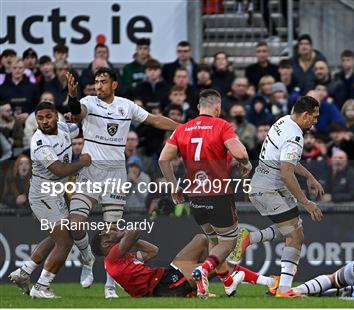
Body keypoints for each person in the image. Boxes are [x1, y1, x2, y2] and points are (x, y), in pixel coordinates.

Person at [65, 68, 179, 298]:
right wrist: (73, 96)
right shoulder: (88, 102)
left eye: (103, 82)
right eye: (96, 82)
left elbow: (154, 120)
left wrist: (182, 127)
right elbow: (77, 113)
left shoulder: (126, 106)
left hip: (115, 172)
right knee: (75, 223)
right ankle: (87, 258)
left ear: (114, 84)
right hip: (90, 170)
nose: (98, 86)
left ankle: (109, 285)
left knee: (112, 234)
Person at [158, 89, 252, 299]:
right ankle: (204, 270)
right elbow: (241, 153)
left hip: (195, 196)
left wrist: (174, 186)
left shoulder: (182, 128)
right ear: (217, 108)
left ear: (199, 107)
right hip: (219, 193)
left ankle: (227, 283)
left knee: (213, 239)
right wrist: (245, 163)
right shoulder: (221, 125)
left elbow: (163, 160)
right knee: (228, 242)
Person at [8, 101, 92, 298]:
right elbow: (59, 170)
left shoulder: (63, 128)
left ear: (56, 116)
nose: (45, 121)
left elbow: (78, 125)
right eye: (40, 118)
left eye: (48, 116)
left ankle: (24, 272)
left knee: (60, 237)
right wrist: (82, 162)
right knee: (64, 242)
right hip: (43, 194)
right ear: (36, 121)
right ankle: (41, 287)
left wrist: (75, 112)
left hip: (56, 193)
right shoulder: (39, 142)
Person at [243, 95, 324, 298]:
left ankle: (248, 238)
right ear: (305, 115)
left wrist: (309, 176)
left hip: (263, 182)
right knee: (294, 235)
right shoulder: (294, 137)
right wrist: (307, 203)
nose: (316, 121)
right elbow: (287, 173)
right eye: (314, 117)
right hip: (270, 188)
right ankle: (285, 290)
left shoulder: (284, 121)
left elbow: (286, 162)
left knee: (292, 229)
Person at [90, 229, 276, 298]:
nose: (113, 229)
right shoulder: (112, 256)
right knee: (215, 263)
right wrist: (125, 236)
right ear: (106, 243)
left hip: (165, 276)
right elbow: (133, 232)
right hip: (164, 287)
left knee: (201, 239)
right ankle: (269, 283)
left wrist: (128, 240)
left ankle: (203, 286)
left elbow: (153, 251)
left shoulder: (121, 258)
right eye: (109, 231)